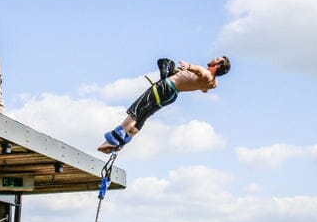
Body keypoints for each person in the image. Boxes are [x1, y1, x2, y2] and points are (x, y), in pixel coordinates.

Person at [98, 56, 231, 153]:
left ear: (218, 65)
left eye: (216, 59)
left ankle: (112, 140)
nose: (213, 58)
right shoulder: (214, 83)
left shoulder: (206, 73)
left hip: (165, 87)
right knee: (143, 116)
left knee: (136, 111)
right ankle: (122, 143)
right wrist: (183, 74)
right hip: (172, 95)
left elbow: (200, 71)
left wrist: (188, 66)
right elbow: (205, 88)